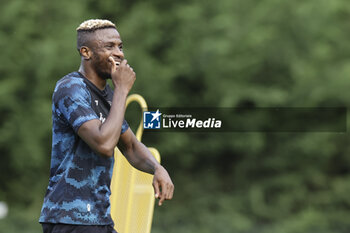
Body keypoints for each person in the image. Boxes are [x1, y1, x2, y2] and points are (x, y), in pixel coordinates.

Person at [39, 19, 174, 233]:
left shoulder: (109, 96)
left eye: (120, 46)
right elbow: (103, 144)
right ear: (86, 52)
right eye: (109, 46)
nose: (119, 53)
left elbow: (129, 146)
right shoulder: (70, 88)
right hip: (70, 219)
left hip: (98, 218)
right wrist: (121, 90)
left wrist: (157, 168)